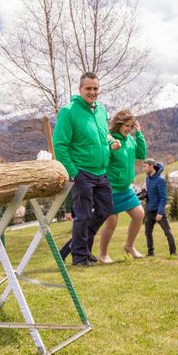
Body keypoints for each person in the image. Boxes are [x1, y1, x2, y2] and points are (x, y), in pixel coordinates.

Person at [53, 72, 120, 267]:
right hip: (82, 172)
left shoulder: (101, 111)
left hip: (101, 171)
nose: (92, 92)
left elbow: (103, 134)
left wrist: (111, 142)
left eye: (95, 88)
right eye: (88, 88)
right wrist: (74, 172)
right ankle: (80, 257)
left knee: (106, 208)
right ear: (80, 89)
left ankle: (78, 247)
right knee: (82, 216)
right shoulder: (69, 111)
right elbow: (60, 145)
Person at [97, 110, 147, 263]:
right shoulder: (110, 140)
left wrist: (139, 134)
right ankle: (103, 254)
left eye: (131, 126)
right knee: (111, 221)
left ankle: (129, 246)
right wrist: (110, 147)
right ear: (118, 124)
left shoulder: (130, 140)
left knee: (139, 214)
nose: (128, 129)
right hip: (111, 189)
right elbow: (103, 160)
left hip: (126, 189)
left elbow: (141, 154)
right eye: (126, 125)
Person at [143, 158, 177, 257]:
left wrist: (160, 213)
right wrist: (145, 195)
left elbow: (163, 198)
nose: (143, 169)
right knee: (147, 233)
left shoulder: (161, 180)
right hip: (149, 210)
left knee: (168, 233)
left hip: (158, 211)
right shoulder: (148, 178)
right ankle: (150, 253)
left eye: (145, 166)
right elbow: (151, 194)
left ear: (151, 166)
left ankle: (173, 253)